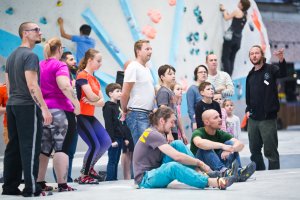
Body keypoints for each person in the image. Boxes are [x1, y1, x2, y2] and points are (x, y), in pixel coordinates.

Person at [3, 22, 52, 197]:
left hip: (13, 105)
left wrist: (14, 101)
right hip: (27, 106)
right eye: (36, 30)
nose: (40, 32)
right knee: (29, 147)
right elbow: (32, 84)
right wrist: (45, 109)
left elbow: (8, 86)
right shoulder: (30, 56)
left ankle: (9, 186)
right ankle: (32, 188)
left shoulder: (11, 56)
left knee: (13, 147)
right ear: (25, 33)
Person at [133, 107, 236, 190]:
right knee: (173, 166)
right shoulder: (153, 134)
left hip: (156, 170)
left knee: (177, 143)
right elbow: (177, 157)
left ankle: (201, 174)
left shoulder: (155, 132)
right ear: (162, 121)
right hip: (145, 179)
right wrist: (200, 163)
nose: (173, 126)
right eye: (172, 122)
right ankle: (212, 182)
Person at [37, 37, 80, 192]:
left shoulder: (40, 65)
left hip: (45, 111)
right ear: (60, 49)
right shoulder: (60, 64)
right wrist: (76, 103)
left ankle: (40, 181)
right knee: (62, 148)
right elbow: (64, 85)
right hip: (62, 111)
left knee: (45, 148)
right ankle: (62, 184)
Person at [246, 46, 286, 170]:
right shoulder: (250, 74)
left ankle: (274, 177)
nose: (254, 56)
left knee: (270, 151)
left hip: (268, 118)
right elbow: (249, 95)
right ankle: (260, 175)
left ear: (261, 55)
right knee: (254, 151)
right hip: (253, 118)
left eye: (256, 53)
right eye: (251, 53)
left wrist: (281, 59)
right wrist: (248, 109)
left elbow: (283, 73)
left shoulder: (270, 69)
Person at [76, 49, 111, 184]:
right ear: (89, 60)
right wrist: (94, 99)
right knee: (95, 145)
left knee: (106, 141)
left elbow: (102, 102)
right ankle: (84, 174)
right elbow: (93, 96)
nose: (100, 63)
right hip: (81, 116)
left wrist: (93, 101)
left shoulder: (95, 79)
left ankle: (89, 169)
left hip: (90, 116)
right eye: (98, 61)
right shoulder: (82, 75)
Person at [190, 109, 256, 182]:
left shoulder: (220, 133)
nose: (220, 119)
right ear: (206, 122)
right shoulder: (198, 132)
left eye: (219, 117)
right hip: (203, 167)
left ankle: (238, 171)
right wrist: (222, 146)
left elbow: (240, 144)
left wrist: (231, 149)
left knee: (230, 143)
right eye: (216, 118)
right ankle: (224, 172)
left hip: (217, 164)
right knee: (205, 147)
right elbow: (199, 143)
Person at [120, 40, 155, 145]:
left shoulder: (147, 69)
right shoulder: (133, 66)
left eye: (151, 49)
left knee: (147, 150)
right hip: (137, 114)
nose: (150, 51)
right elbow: (125, 92)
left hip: (147, 114)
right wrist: (125, 110)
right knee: (143, 150)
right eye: (147, 49)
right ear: (138, 51)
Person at [58, 51, 78, 183]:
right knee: (62, 149)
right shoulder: (61, 74)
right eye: (71, 59)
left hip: (72, 113)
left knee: (71, 150)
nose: (74, 62)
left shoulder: (72, 75)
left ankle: (68, 178)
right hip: (62, 113)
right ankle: (60, 179)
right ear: (64, 61)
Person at [156, 65, 187, 143]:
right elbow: (162, 113)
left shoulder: (170, 92)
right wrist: (169, 133)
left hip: (174, 129)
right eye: (170, 74)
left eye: (173, 74)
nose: (173, 76)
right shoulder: (163, 91)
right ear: (162, 77)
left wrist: (183, 133)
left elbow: (176, 114)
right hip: (168, 131)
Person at [220, 0, 251, 76]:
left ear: (242, 5)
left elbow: (226, 18)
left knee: (225, 57)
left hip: (231, 37)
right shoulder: (246, 15)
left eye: (240, 2)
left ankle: (226, 76)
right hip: (238, 39)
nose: (238, 3)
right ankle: (229, 76)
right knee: (232, 59)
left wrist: (223, 10)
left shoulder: (237, 11)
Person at [103, 83, 124, 181]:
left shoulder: (118, 106)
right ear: (110, 94)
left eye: (120, 91)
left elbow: (120, 123)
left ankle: (114, 179)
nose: (120, 93)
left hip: (119, 137)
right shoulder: (108, 106)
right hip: (113, 138)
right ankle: (110, 179)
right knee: (112, 160)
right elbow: (109, 124)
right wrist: (111, 140)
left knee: (116, 160)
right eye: (117, 91)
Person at [186, 65, 208, 131]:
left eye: (205, 72)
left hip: (211, 121)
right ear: (196, 75)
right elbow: (190, 109)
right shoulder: (192, 89)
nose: (203, 73)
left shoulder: (210, 87)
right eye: (201, 72)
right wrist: (194, 122)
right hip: (199, 122)